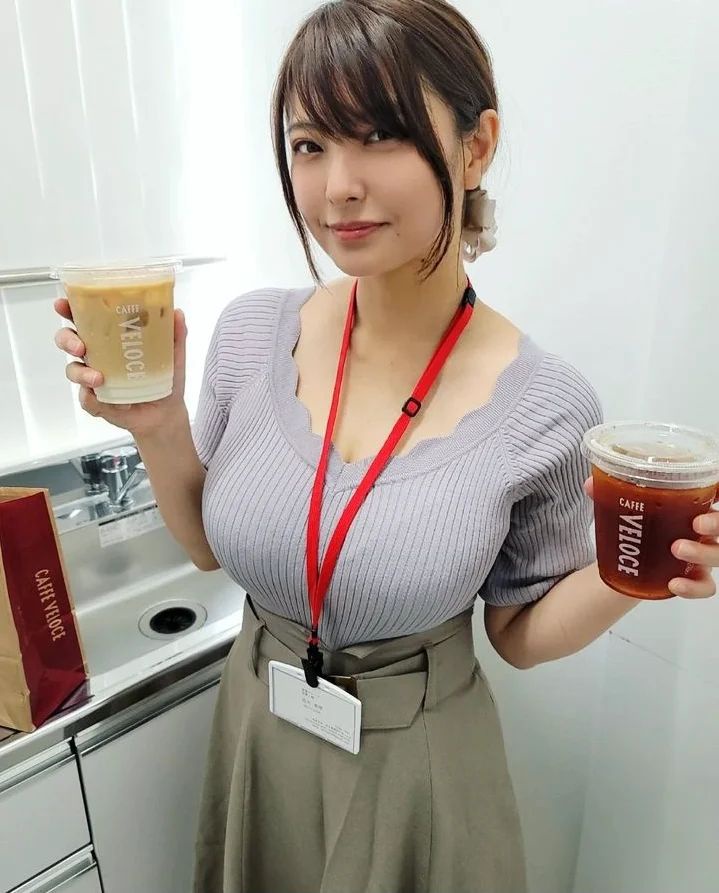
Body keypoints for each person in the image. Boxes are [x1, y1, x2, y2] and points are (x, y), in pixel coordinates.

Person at [51, 2, 665, 890]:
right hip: (259, 727)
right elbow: (208, 548)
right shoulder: (250, 333)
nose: (337, 185)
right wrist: (158, 424)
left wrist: (632, 572)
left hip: (416, 769)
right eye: (309, 144)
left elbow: (517, 634)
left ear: (475, 147)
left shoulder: (545, 405)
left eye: (380, 134)